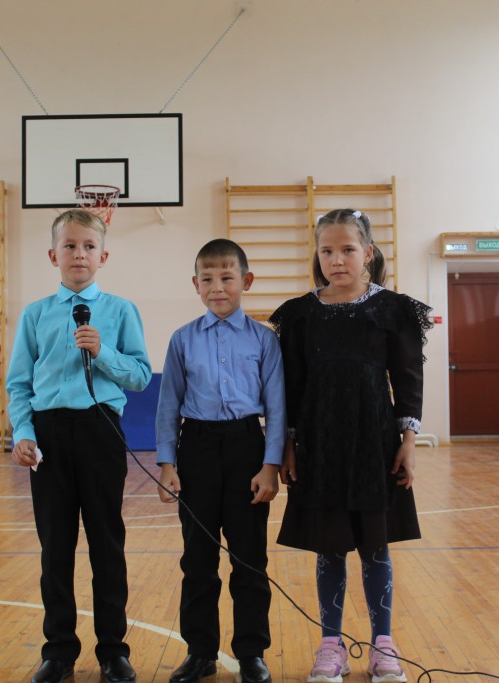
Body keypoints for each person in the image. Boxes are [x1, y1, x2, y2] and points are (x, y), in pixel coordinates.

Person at [268, 209, 432, 683]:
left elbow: (408, 379)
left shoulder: (393, 309)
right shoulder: (300, 314)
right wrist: (289, 445)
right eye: (327, 251)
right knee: (330, 548)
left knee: (376, 547)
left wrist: (408, 441)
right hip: (320, 447)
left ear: (368, 253)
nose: (336, 260)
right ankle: (331, 645)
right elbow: (291, 388)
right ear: (317, 255)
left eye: (347, 250)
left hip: (374, 445)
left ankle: (383, 645)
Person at [7, 209, 152, 683]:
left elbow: (139, 375)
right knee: (55, 547)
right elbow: (19, 384)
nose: (79, 254)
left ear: (103, 257)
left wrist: (101, 351)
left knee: (107, 544)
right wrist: (24, 432)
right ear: (53, 255)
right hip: (49, 435)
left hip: (100, 430)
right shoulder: (34, 315)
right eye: (69, 245)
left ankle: (113, 650)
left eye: (89, 246)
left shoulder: (121, 311)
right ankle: (58, 650)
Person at [155, 238, 286, 683]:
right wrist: (167, 463)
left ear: (246, 281)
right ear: (195, 284)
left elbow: (277, 407)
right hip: (197, 450)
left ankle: (251, 652)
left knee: (249, 558)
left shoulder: (264, 340)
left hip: (248, 446)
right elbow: (168, 405)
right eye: (207, 279)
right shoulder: (182, 340)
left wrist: (270, 465)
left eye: (227, 278)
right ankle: (200, 652)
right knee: (198, 559)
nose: (217, 287)